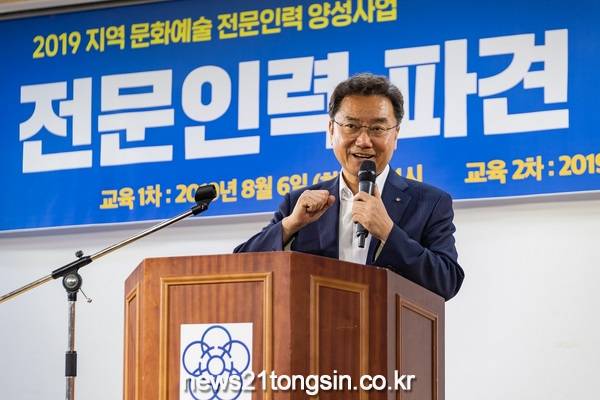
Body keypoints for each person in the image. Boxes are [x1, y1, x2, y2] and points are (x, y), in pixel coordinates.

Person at [234, 73, 464, 300]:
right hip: (315, 324)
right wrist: (291, 225)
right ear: (331, 130)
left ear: (395, 135)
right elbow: (239, 268)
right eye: (351, 126)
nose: (363, 141)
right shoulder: (298, 203)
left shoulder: (430, 203)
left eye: (377, 129)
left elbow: (447, 281)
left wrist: (389, 232)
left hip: (391, 325)